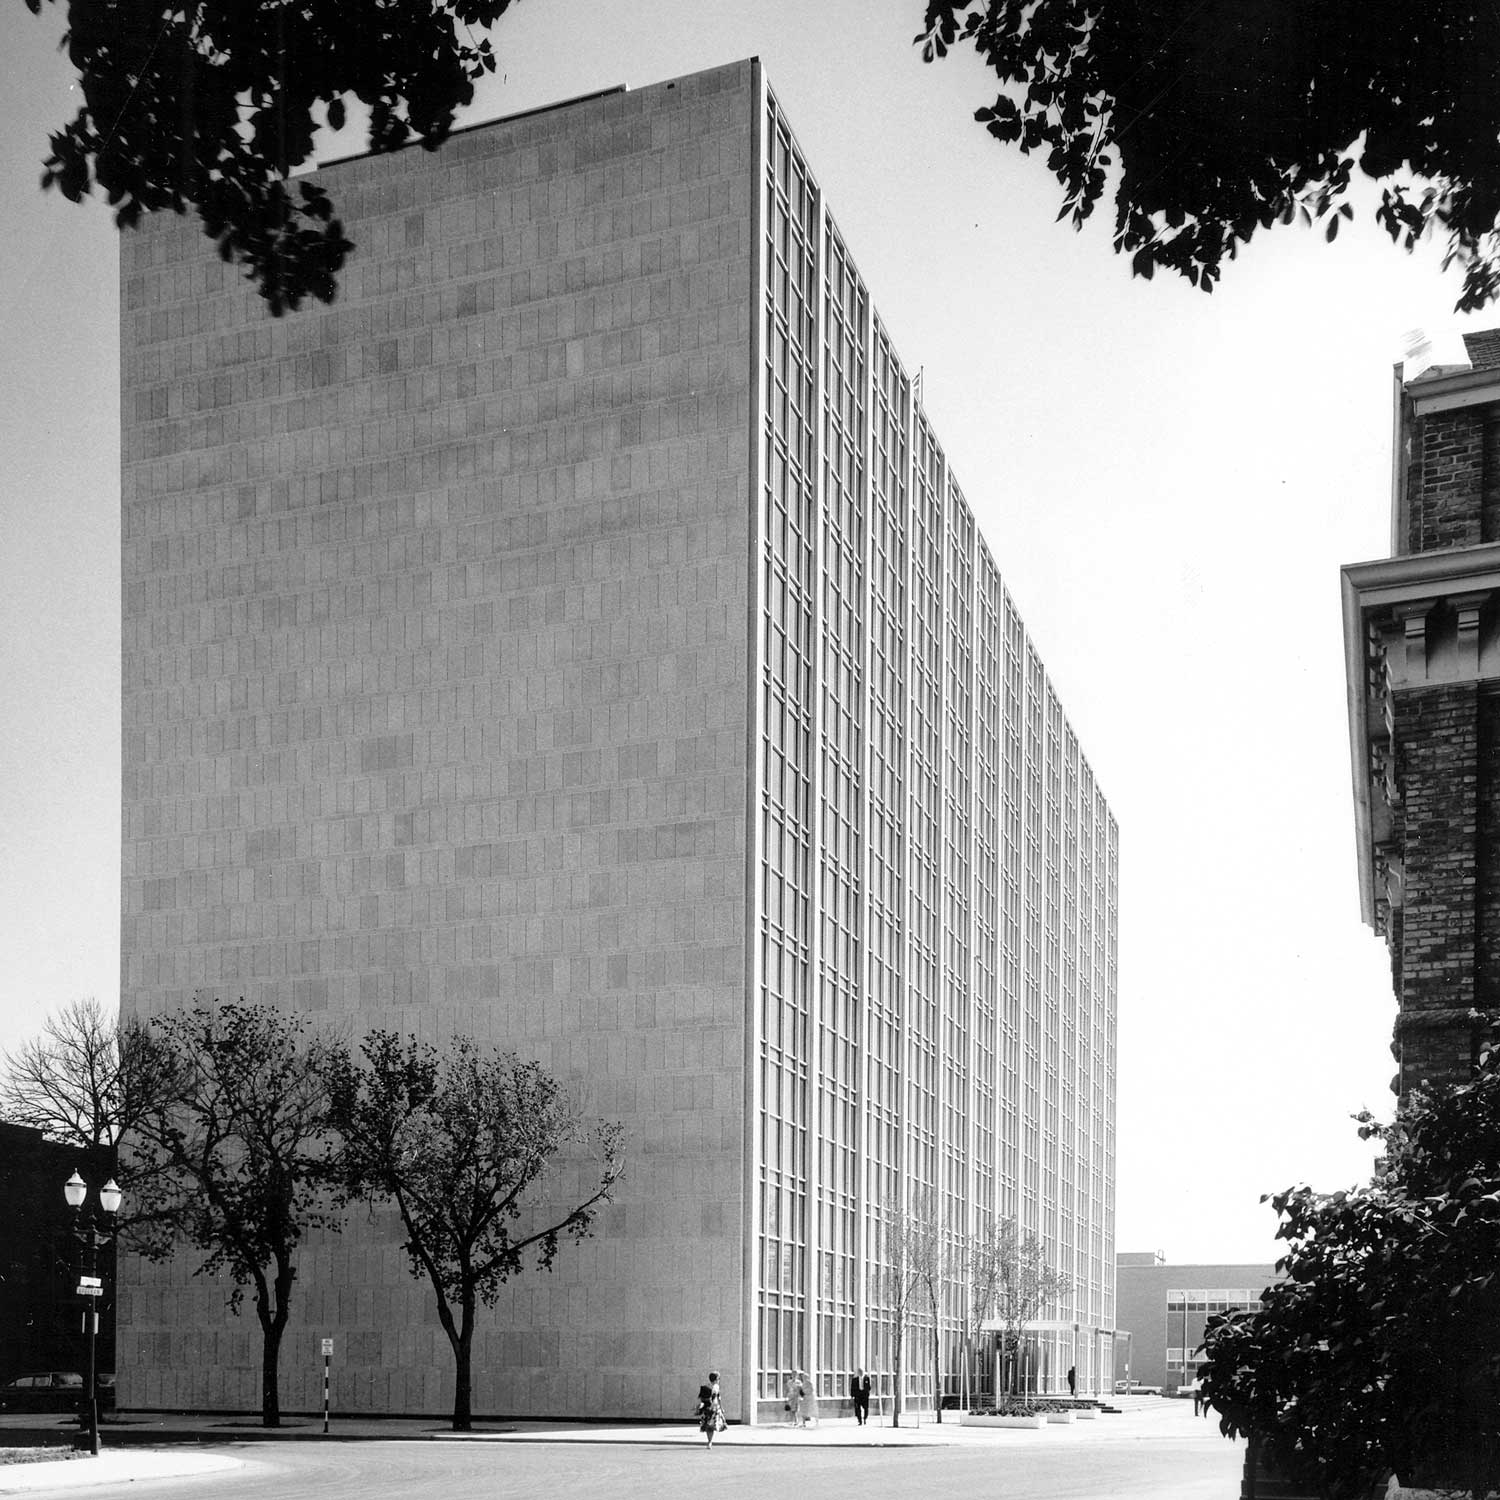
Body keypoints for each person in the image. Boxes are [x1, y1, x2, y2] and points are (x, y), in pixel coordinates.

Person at [695, 1371, 725, 1448]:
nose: (719, 1380)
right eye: (719, 1379)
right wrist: (721, 1407)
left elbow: (701, 1398)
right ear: (716, 1379)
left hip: (707, 1408)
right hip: (714, 1408)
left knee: (708, 1426)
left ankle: (709, 1441)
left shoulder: (705, 1386)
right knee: (711, 1425)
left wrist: (700, 1406)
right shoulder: (716, 1387)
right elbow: (717, 1398)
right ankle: (710, 1442)